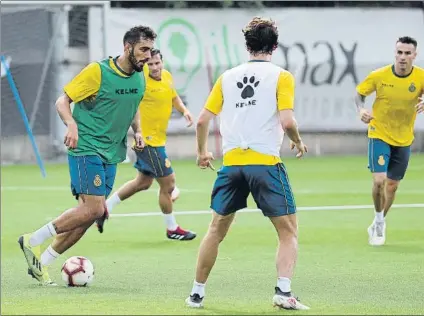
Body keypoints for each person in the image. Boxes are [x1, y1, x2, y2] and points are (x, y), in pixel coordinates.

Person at [185, 17, 310, 310]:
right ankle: (283, 291)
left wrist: (202, 152)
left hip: (232, 165)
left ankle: (196, 294)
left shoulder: (227, 77)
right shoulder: (282, 76)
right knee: (288, 231)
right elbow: (288, 120)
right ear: (275, 46)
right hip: (265, 163)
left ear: (247, 45)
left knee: (215, 230)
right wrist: (298, 140)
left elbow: (202, 120)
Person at [18, 26, 157, 285]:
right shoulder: (98, 71)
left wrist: (137, 131)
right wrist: (71, 125)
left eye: (150, 50)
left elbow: (134, 106)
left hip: (111, 153)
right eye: (143, 50)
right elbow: (62, 101)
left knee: (92, 213)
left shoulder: (140, 75)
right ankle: (32, 240)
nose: (148, 56)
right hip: (86, 147)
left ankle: (42, 263)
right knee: (94, 208)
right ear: (128, 48)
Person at [103, 49, 197, 241]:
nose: (154, 67)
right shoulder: (140, 80)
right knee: (169, 184)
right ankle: (172, 229)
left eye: (157, 63)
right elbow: (128, 101)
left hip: (158, 141)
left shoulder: (167, 77)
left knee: (143, 183)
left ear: (162, 62)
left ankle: (105, 207)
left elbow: (173, 97)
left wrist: (185, 111)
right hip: (146, 142)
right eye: (150, 64)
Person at [355, 36, 424, 246]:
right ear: (395, 53)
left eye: (407, 53)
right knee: (379, 181)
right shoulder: (379, 76)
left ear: (415, 55)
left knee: (392, 187)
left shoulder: (420, 77)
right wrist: (361, 110)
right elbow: (359, 94)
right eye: (399, 52)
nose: (403, 57)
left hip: (403, 138)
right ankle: (378, 222)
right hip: (379, 133)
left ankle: (380, 220)